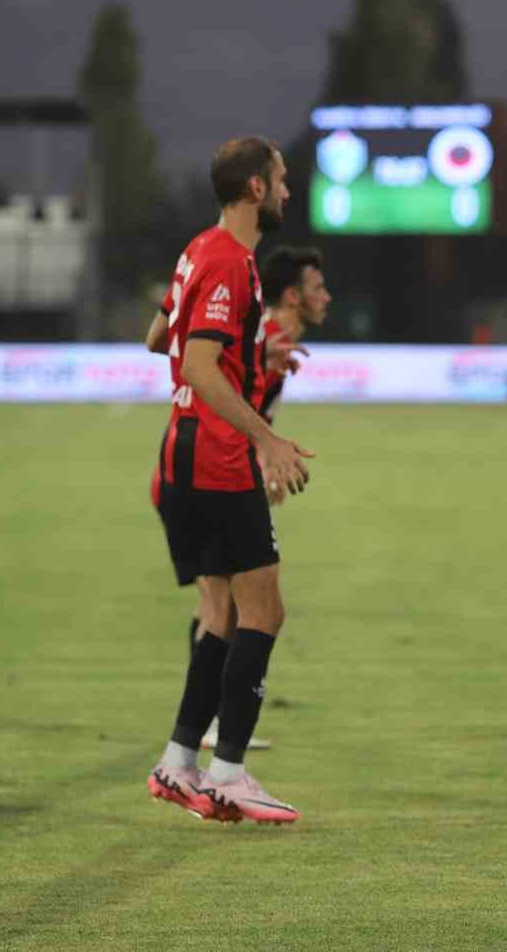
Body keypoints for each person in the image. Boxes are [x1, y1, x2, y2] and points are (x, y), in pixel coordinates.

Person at [144, 136, 313, 825]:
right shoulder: (232, 263)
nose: (286, 193)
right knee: (262, 611)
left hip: (178, 454)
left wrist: (250, 347)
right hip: (216, 458)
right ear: (253, 189)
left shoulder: (196, 249)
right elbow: (195, 367)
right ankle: (230, 773)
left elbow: (161, 339)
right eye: (280, 181)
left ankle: (179, 762)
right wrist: (266, 437)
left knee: (219, 615)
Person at [145, 246, 330, 752]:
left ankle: (204, 727)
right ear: (293, 295)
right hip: (202, 475)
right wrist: (262, 457)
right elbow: (227, 407)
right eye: (318, 287)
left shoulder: (269, 338)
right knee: (222, 606)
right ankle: (203, 731)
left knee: (222, 605)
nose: (326, 297)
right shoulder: (264, 337)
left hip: (203, 472)